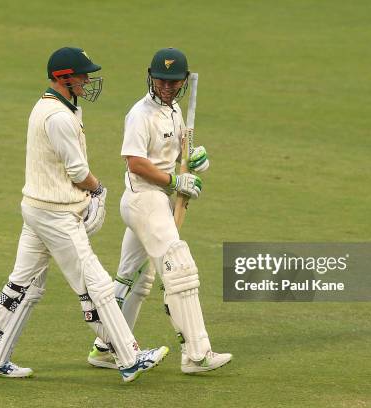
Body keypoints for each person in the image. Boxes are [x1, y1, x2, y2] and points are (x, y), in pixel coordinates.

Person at [0, 46, 168, 382]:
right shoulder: (59, 117)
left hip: (37, 208)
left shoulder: (55, 107)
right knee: (97, 286)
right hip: (56, 215)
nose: (88, 80)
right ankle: (128, 357)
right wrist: (97, 190)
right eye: (83, 75)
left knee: (24, 285)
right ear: (64, 78)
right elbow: (78, 171)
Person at [87, 48, 231, 373]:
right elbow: (136, 163)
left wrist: (195, 158)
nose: (167, 87)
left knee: (134, 280)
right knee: (179, 270)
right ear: (151, 76)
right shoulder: (140, 114)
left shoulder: (174, 109)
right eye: (161, 80)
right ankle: (197, 354)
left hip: (157, 200)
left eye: (173, 81)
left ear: (182, 82)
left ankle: (106, 346)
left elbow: (181, 149)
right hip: (145, 200)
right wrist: (174, 181)